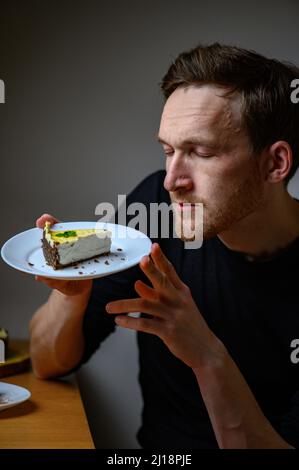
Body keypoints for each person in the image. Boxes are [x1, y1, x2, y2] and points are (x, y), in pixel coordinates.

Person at [29, 43, 299, 449]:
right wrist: (74, 293)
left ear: (275, 164)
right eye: (168, 150)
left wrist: (207, 356)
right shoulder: (155, 206)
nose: (173, 179)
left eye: (200, 152)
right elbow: (46, 363)